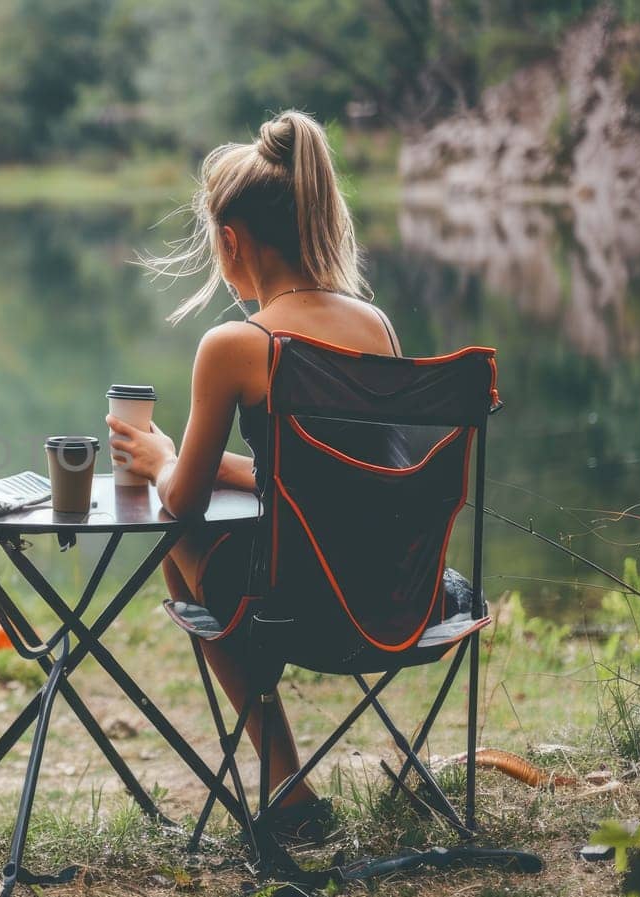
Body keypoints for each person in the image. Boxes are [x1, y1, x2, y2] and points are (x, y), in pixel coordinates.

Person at [106, 110, 396, 844]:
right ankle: (286, 782)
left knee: (180, 541)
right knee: (214, 534)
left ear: (231, 241)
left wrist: (160, 457)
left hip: (292, 604)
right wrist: (191, 465)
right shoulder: (377, 327)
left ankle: (286, 779)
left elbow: (180, 502)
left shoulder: (238, 344)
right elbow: (327, 470)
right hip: (395, 595)